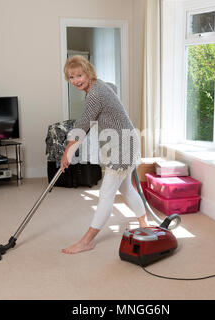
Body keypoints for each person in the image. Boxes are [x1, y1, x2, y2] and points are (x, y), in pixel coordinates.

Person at [60, 55, 148, 254]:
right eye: (71, 77)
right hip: (126, 140)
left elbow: (83, 125)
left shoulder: (94, 94)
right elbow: (113, 88)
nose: (76, 81)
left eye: (79, 75)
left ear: (88, 72)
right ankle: (145, 223)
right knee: (126, 189)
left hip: (123, 146)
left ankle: (87, 241)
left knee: (106, 193)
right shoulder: (100, 85)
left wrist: (67, 152)